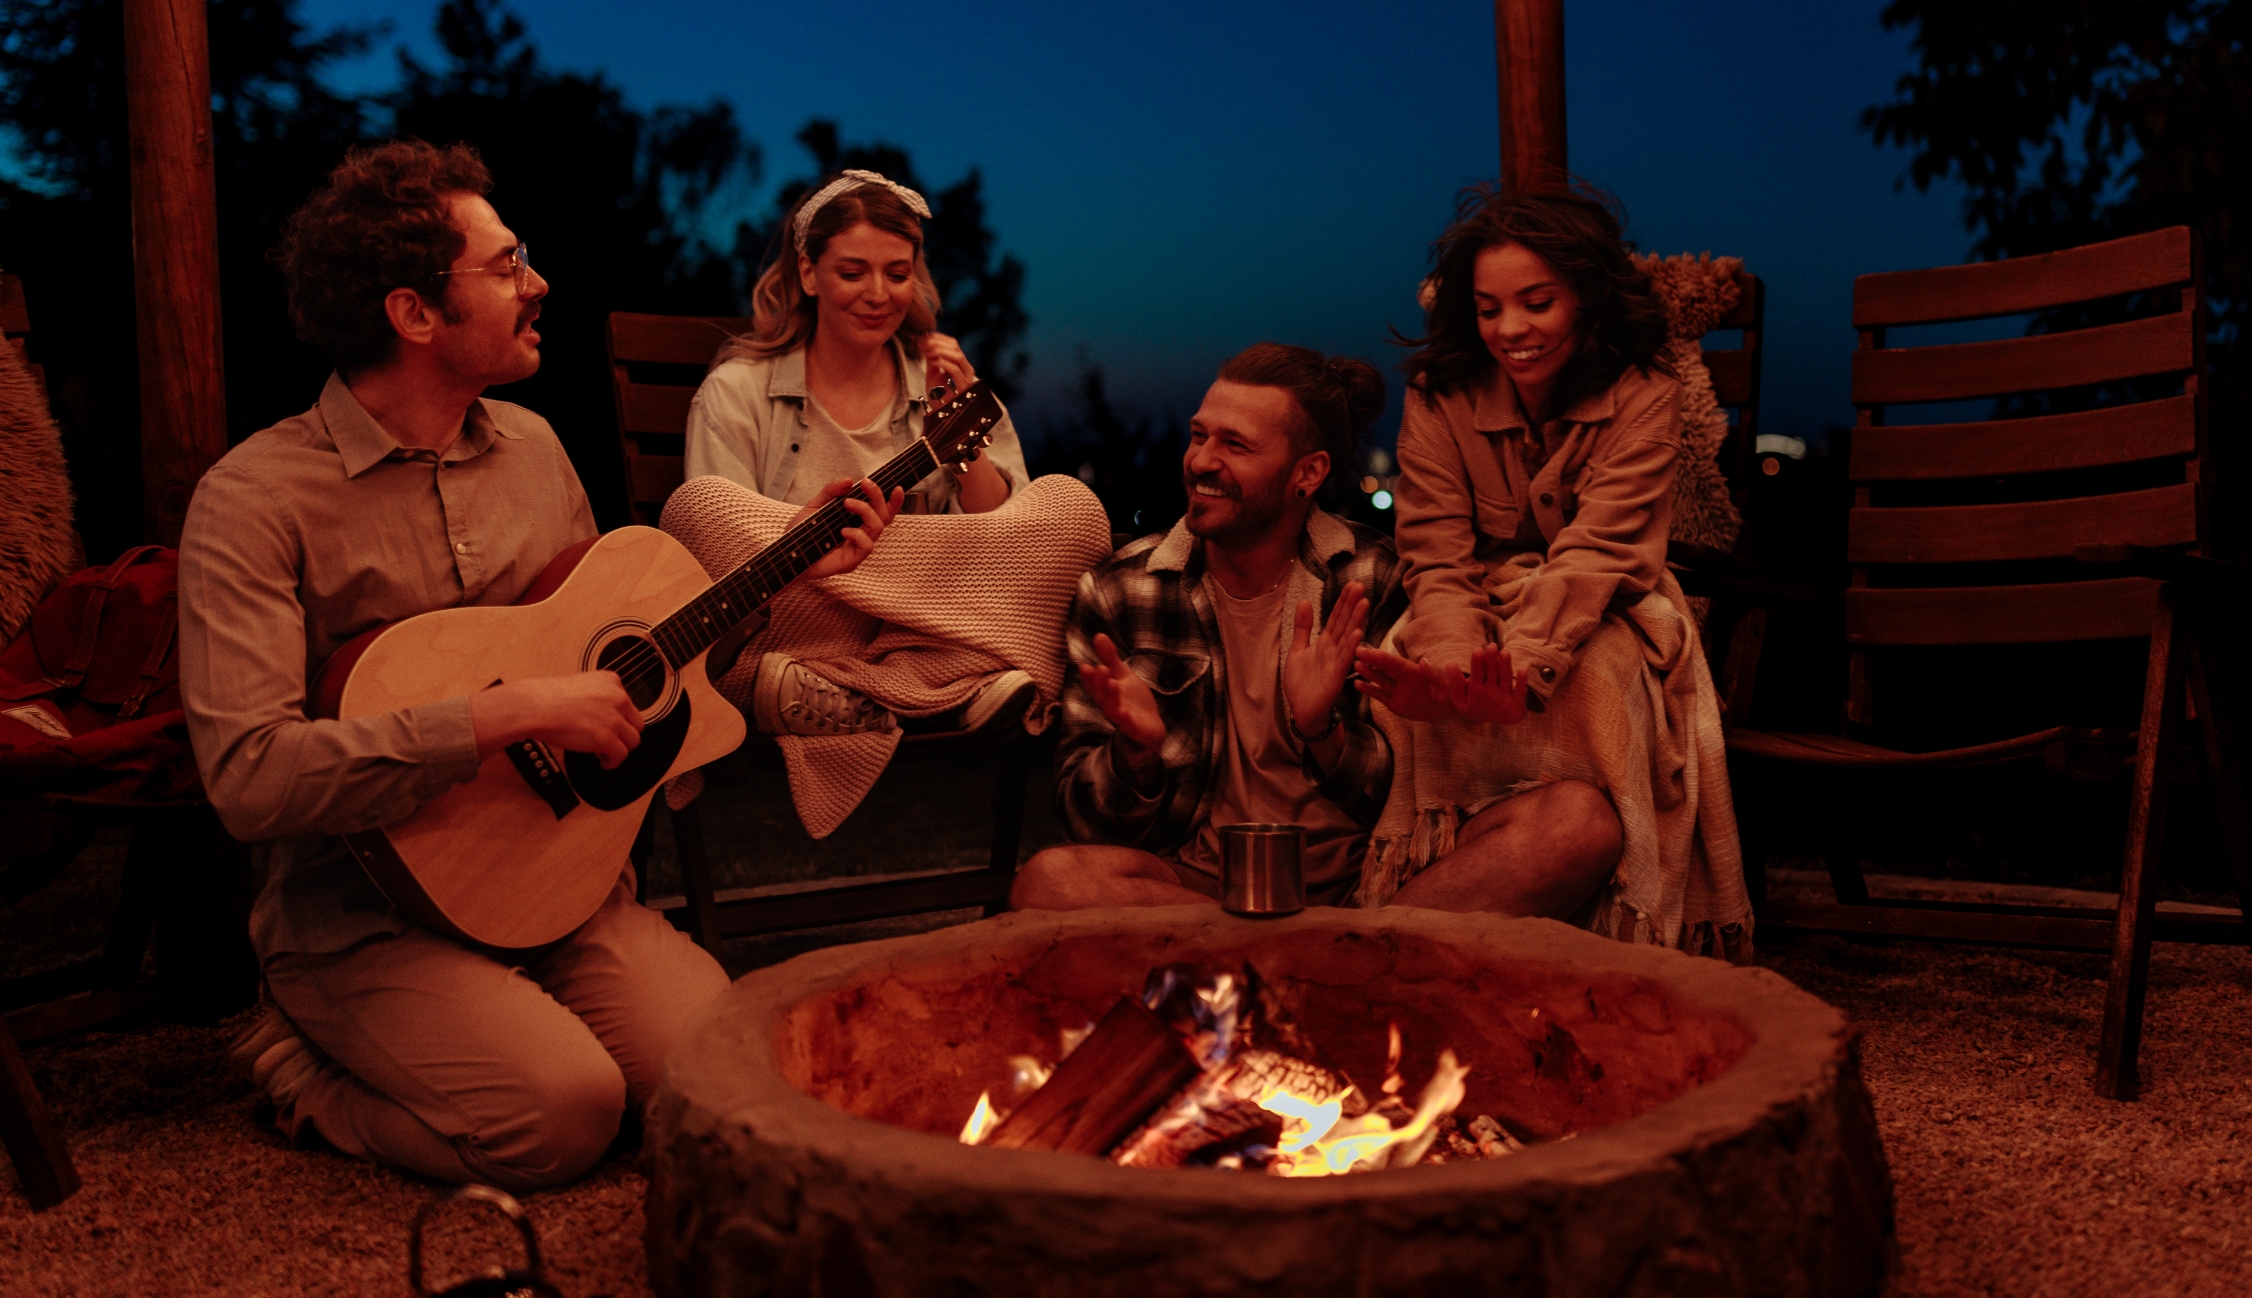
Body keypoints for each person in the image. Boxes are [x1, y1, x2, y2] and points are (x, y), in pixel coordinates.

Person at [187, 139, 896, 1188]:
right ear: (414, 313)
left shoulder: (535, 448)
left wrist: (792, 572)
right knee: (562, 1116)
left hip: (563, 891)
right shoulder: (254, 501)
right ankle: (304, 1073)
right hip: (361, 919)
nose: (539, 282)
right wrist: (497, 716)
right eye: (508, 263)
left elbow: (620, 673)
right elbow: (249, 777)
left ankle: (518, 1022)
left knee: (727, 1085)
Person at [1011, 342, 1624, 916]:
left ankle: (1344, 946)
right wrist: (1134, 756)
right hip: (1202, 897)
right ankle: (1343, 963)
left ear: (1308, 473)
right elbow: (1083, 822)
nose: (1201, 461)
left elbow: (1401, 793)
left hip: (1379, 888)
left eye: (1235, 445)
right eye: (1198, 436)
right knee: (1048, 881)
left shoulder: (1375, 578)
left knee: (1579, 824)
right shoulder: (1120, 590)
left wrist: (1320, 730)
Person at [1352, 182, 1749, 953]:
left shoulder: (1645, 397)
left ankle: (1603, 903)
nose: (1512, 329)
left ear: (1589, 297)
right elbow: (1434, 552)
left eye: (1538, 302)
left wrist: (1520, 671)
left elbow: (1598, 553)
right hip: (1465, 601)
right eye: (1490, 307)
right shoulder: (1439, 396)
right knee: (1396, 681)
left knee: (1595, 676)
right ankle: (1431, 876)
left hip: (1599, 603)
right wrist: (1453, 671)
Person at [663, 167, 1106, 839]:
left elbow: (1007, 534)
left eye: (897, 274)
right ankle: (946, 682)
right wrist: (801, 539)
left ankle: (873, 682)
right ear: (808, 273)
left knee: (1072, 507)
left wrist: (959, 435)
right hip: (798, 613)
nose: (878, 295)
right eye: (853, 273)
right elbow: (708, 566)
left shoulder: (943, 383)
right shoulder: (737, 392)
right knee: (699, 506)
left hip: (920, 620)